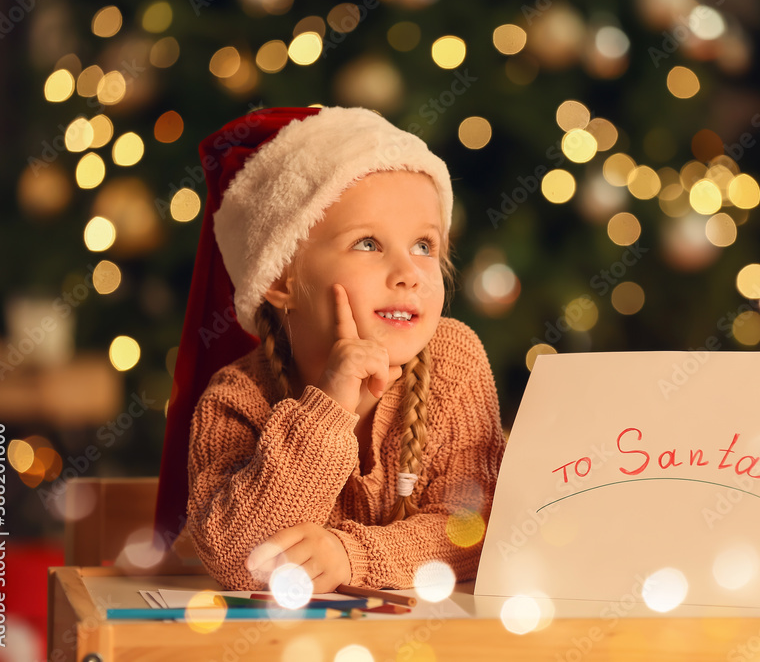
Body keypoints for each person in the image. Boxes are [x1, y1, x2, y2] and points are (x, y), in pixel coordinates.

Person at [154, 106, 506, 592]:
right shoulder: (236, 397)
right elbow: (241, 563)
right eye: (368, 243)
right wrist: (330, 410)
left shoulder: (454, 359)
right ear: (281, 278)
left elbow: (480, 530)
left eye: (424, 246)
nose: (409, 272)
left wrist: (351, 555)